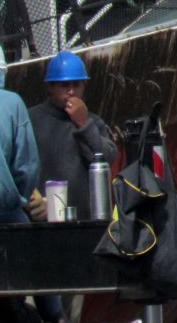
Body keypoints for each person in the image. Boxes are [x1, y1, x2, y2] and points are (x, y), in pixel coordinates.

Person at [0, 38, 60, 323]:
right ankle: (54, 319)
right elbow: (26, 166)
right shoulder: (12, 103)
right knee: (36, 252)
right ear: (1, 72)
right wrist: (22, 199)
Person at [28, 51, 117, 221]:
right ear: (50, 87)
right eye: (64, 85)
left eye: (76, 85)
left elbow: (106, 159)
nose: (71, 91)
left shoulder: (94, 123)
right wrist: (32, 200)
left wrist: (84, 125)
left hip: (86, 221)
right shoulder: (31, 120)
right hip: (43, 224)